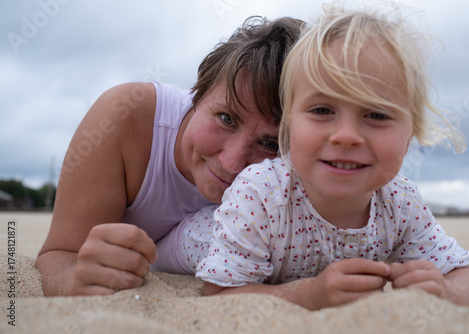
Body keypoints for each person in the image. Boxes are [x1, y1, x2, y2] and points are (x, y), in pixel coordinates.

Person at [169, 4, 469, 309]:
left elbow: (465, 277)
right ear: (289, 129)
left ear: (410, 137)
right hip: (183, 242)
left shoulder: (400, 203)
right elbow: (220, 294)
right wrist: (310, 296)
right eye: (322, 110)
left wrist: (446, 292)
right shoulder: (259, 194)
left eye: (375, 115)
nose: (346, 135)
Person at [35, 16, 305, 296]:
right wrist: (71, 281)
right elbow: (59, 254)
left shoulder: (307, 165)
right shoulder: (125, 118)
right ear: (198, 95)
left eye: (269, 143)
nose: (231, 163)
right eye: (226, 118)